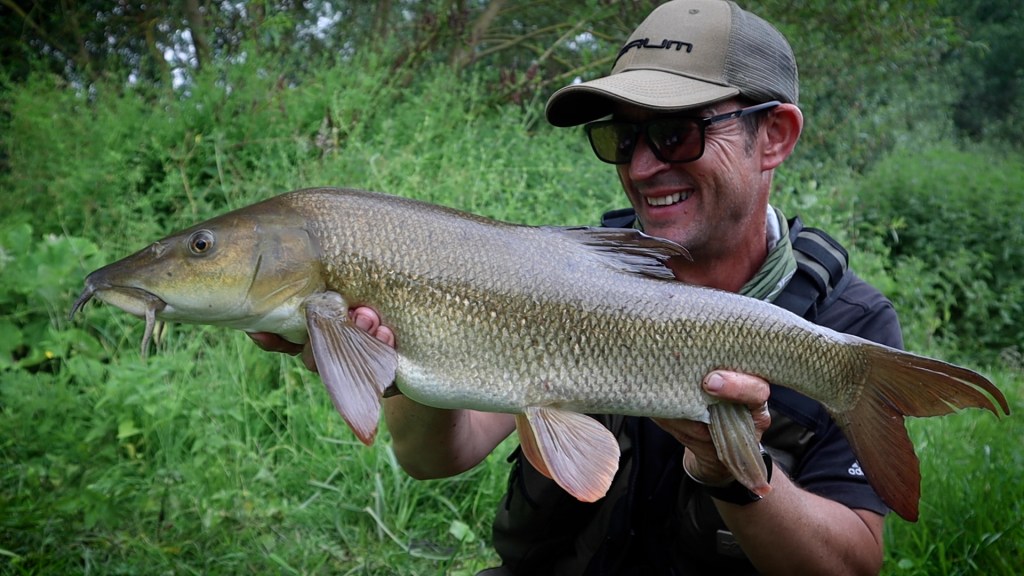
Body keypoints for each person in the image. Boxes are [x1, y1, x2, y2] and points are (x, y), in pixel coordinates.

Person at [252, 1, 902, 573]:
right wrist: (397, 365)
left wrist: (737, 478)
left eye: (677, 133)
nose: (643, 168)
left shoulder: (848, 324)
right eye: (621, 137)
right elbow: (435, 457)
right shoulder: (560, 277)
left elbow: (851, 564)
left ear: (775, 137)